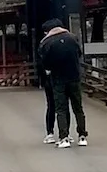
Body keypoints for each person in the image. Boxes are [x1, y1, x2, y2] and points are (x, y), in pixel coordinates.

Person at [37, 16, 87, 148]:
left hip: (58, 79)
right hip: (74, 77)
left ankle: (64, 137)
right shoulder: (73, 38)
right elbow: (79, 54)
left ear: (47, 31)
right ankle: (82, 136)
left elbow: (45, 63)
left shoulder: (46, 43)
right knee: (78, 108)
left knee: (61, 109)